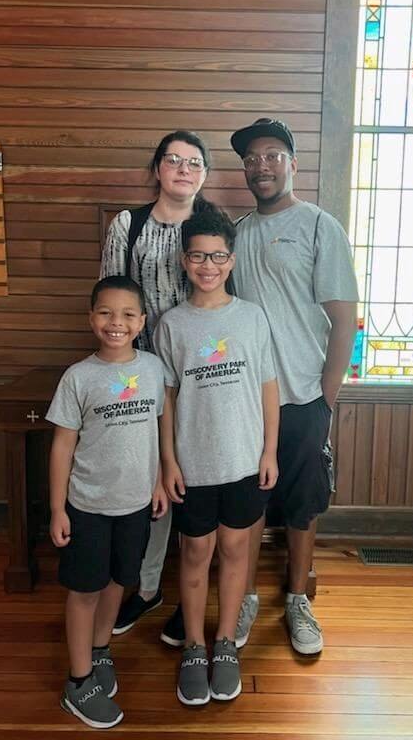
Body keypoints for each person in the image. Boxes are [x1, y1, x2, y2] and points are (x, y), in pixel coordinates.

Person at [229, 117, 358, 655]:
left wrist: (326, 395)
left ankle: (298, 599)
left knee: (302, 504)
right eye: (251, 158)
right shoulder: (234, 233)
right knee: (249, 504)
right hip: (247, 399)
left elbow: (345, 318)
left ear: (291, 164)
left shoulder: (318, 226)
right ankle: (243, 600)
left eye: (271, 155)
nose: (261, 165)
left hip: (305, 397)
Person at [153, 208, 279, 705]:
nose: (209, 264)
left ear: (231, 259)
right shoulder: (172, 325)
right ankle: (193, 645)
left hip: (246, 462)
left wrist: (269, 450)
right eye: (199, 255)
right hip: (194, 465)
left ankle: (224, 643)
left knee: (235, 551)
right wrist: (168, 462)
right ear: (185, 261)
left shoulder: (251, 317)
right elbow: (165, 399)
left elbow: (269, 388)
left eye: (218, 255)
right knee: (195, 554)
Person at [100, 130, 211, 646]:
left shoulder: (213, 226)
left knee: (197, 478)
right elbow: (112, 296)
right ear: (158, 169)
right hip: (141, 373)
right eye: (174, 160)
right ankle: (146, 588)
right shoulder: (130, 224)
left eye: (193, 162)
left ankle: (192, 591)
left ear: (204, 174)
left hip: (202, 374)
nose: (183, 170)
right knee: (153, 479)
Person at [47, 275, 167, 729]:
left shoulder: (154, 369)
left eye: (127, 314)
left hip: (135, 505)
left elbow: (157, 429)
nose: (116, 322)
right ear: (91, 318)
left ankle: (100, 653)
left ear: (141, 321)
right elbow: (62, 446)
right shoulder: (78, 377)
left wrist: (157, 481)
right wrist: (58, 508)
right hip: (87, 507)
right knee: (84, 591)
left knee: (119, 582)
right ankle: (78, 682)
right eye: (105, 313)